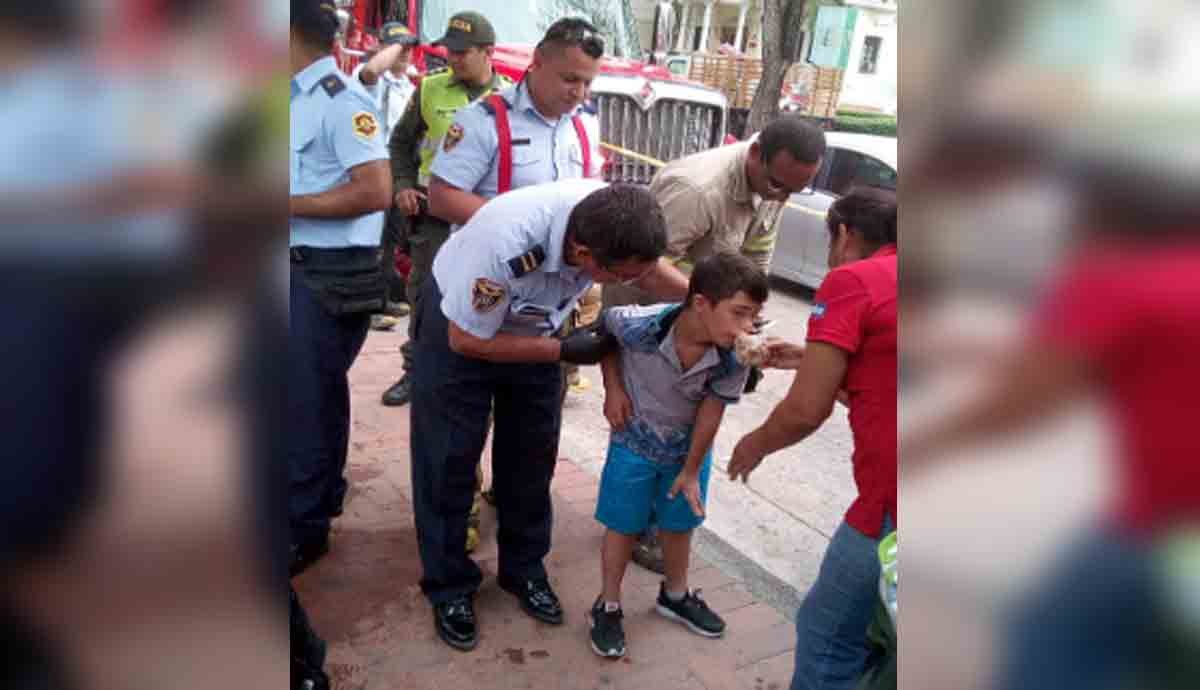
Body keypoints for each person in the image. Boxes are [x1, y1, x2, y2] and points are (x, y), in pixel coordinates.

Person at [409, 180, 690, 651]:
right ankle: (449, 586)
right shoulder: (505, 244)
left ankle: (523, 570)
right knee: (448, 462)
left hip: (536, 321)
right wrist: (561, 349)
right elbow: (467, 340)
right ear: (583, 252)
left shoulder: (615, 216)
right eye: (614, 275)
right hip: (459, 327)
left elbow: (649, 273)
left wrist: (708, 304)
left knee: (532, 457)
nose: (622, 284)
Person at [606, 115, 827, 575]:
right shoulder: (699, 190)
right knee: (643, 428)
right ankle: (629, 525)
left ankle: (658, 517)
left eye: (794, 190)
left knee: (688, 426)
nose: (782, 197)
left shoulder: (772, 185)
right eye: (778, 184)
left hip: (704, 318)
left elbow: (757, 254)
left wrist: (746, 315)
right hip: (650, 324)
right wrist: (712, 311)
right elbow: (646, 268)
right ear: (755, 154)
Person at [727, 188, 897, 690]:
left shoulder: (853, 280)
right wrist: (811, 356)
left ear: (844, 234)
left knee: (828, 635)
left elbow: (805, 410)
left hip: (895, 505)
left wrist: (752, 444)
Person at [587, 252, 769, 659]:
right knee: (622, 525)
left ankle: (675, 594)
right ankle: (608, 603)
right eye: (740, 313)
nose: (748, 327)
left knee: (679, 522)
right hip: (632, 444)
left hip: (688, 452)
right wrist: (613, 389)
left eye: (754, 316)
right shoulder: (640, 325)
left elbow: (711, 411)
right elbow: (605, 334)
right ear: (701, 303)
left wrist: (690, 471)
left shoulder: (733, 355)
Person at [288, 0, 392, 576]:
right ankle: (320, 493)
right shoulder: (289, 100)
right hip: (296, 268)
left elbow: (374, 189)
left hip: (327, 274)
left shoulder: (341, 100)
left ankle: (304, 528)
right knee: (308, 394)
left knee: (305, 401)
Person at [380, 10, 512, 407]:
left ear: (487, 52)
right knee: (425, 296)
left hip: (485, 217)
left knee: (482, 295)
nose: (452, 58)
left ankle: (471, 372)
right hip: (434, 216)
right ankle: (414, 371)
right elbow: (400, 144)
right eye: (449, 50)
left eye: (461, 52)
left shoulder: (510, 98)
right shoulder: (430, 89)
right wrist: (402, 184)